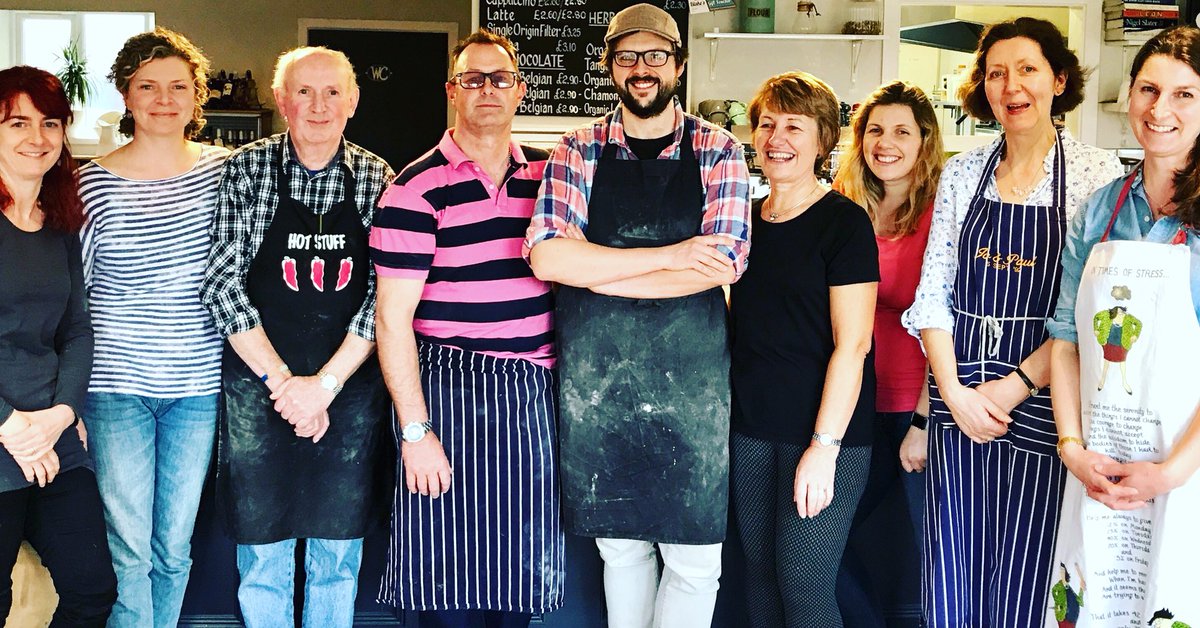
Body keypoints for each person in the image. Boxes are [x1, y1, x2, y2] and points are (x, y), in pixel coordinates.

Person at [525, 4, 751, 626]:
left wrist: (598, 268)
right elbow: (546, 259)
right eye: (628, 57)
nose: (642, 68)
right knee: (619, 552)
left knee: (695, 561)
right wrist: (674, 256)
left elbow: (724, 264)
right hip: (600, 387)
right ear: (609, 67)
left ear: (678, 65)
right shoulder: (577, 148)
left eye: (656, 56)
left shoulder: (720, 149)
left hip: (694, 388)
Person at [901, 17, 1124, 627]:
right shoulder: (963, 173)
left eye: (1026, 69)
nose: (1010, 85)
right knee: (952, 568)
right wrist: (950, 397)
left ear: (1058, 79)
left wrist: (1015, 386)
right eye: (996, 73)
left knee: (1034, 570)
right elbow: (933, 296)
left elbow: (1085, 315)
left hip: (1049, 394)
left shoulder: (1096, 176)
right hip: (960, 392)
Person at [370, 29, 564, 628]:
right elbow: (391, 318)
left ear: (520, 91)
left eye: (500, 78)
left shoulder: (552, 181)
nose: (488, 90)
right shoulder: (414, 187)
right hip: (446, 399)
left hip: (532, 402)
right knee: (440, 593)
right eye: (473, 79)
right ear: (452, 90)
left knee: (519, 592)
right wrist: (414, 432)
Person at [199, 46, 393, 628]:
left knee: (338, 553)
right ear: (283, 101)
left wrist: (326, 385)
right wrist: (286, 384)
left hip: (349, 388)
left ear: (353, 102)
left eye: (333, 91)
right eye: (303, 92)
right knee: (263, 549)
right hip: (261, 384)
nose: (318, 105)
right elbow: (223, 285)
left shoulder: (379, 178)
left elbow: (383, 295)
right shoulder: (247, 170)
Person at [1048, 25, 1200, 625]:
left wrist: (1170, 472)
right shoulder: (1100, 209)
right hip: (1101, 470)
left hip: (1187, 471)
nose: (1160, 110)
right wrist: (1072, 449)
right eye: (1148, 89)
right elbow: (1065, 341)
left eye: (1184, 94)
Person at [76, 28, 228, 628]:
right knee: (128, 546)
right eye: (147, 86)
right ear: (125, 96)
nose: (163, 99)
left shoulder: (228, 171)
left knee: (174, 546)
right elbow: (77, 295)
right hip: (116, 385)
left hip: (198, 383)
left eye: (178, 87)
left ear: (197, 98)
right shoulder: (90, 182)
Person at [728, 71, 877, 627]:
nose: (776, 137)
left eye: (795, 125)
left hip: (824, 433)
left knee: (805, 584)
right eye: (767, 123)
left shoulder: (843, 223)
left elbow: (854, 343)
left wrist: (824, 446)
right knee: (761, 583)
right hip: (750, 430)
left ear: (823, 141)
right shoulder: (741, 222)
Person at [0, 65, 117, 626]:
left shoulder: (60, 221)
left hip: (53, 435)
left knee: (91, 591)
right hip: (5, 434)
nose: (37, 138)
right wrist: (12, 425)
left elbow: (77, 328)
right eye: (17, 122)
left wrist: (63, 412)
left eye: (51, 123)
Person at [831, 79, 944, 627]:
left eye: (902, 131)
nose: (886, 142)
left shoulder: (944, 214)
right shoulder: (842, 206)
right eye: (875, 129)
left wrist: (926, 415)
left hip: (915, 407)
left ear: (925, 141)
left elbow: (948, 324)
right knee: (823, 542)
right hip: (851, 404)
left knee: (940, 555)